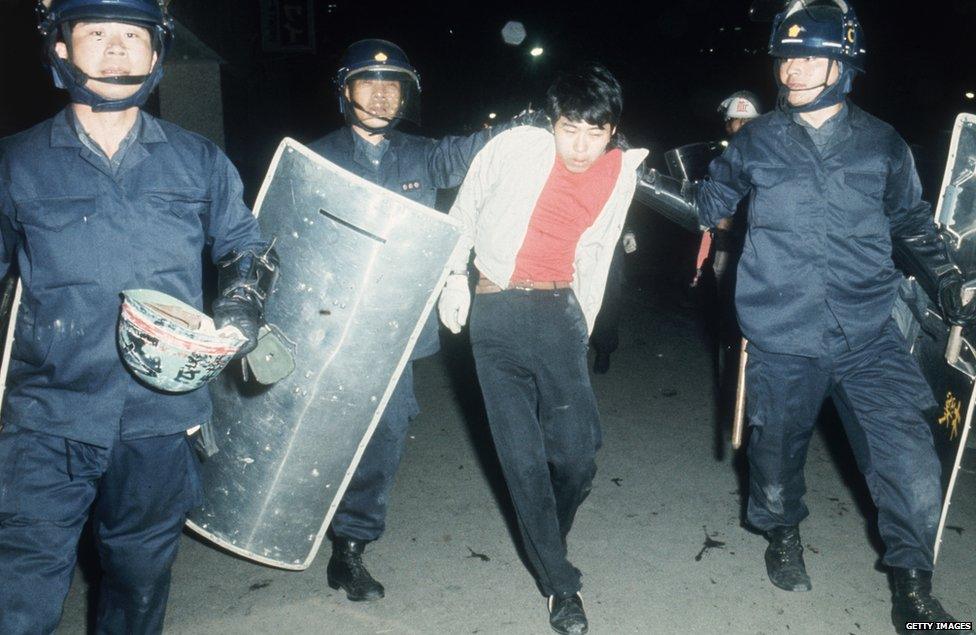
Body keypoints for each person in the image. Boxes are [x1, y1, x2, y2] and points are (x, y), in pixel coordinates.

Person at [696, 1, 974, 628]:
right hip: (781, 332)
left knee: (909, 457)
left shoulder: (882, 144)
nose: (793, 69)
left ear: (844, 65)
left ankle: (912, 590)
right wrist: (642, 184)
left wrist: (953, 282)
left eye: (811, 57)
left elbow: (910, 222)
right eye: (787, 56)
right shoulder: (759, 140)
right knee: (774, 458)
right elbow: (710, 196)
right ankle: (783, 534)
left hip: (867, 332)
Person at [0, 1, 274, 633]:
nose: (117, 49)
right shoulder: (15, 162)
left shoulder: (198, 160)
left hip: (159, 419)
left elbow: (245, 249)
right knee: (19, 596)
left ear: (156, 55)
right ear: (61, 48)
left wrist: (237, 309)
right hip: (45, 417)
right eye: (97, 33)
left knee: (138, 583)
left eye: (132, 35)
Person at [306, 38, 522, 602]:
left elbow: (480, 151)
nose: (381, 94)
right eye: (367, 82)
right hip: (327, 328)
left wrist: (532, 127)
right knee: (316, 433)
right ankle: (297, 516)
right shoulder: (314, 157)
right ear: (344, 90)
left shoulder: (424, 156)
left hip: (394, 333)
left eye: (393, 84)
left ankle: (350, 547)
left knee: (387, 432)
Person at [437, 62, 648, 635]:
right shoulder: (513, 148)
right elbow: (464, 212)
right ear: (551, 123)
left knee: (578, 456)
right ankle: (561, 585)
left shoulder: (621, 172)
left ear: (612, 132)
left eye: (593, 133)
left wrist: (586, 316)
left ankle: (545, 533)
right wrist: (455, 277)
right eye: (568, 129)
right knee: (521, 459)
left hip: (560, 314)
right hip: (498, 310)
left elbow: (599, 247)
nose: (579, 147)